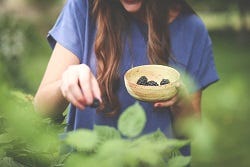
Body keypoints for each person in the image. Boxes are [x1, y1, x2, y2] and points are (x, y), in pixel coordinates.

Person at [34, 0, 219, 156]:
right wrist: (65, 83)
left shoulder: (192, 29)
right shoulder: (83, 7)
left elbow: (191, 132)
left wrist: (181, 100)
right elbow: (42, 108)